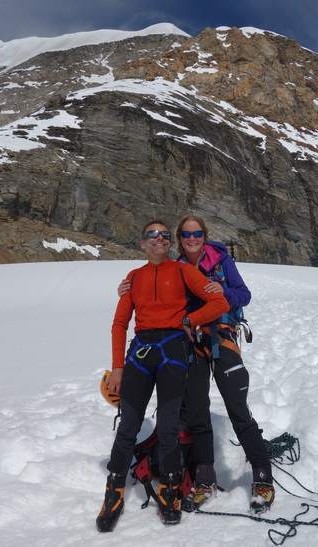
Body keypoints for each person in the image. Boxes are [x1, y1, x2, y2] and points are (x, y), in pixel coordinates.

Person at [117, 215, 276, 514]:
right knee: (197, 411)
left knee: (238, 409)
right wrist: (128, 289)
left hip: (222, 338)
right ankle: (205, 478)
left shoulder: (221, 260)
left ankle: (262, 475)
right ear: (179, 238)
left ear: (204, 235)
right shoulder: (175, 267)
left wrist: (221, 291)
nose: (192, 238)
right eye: (186, 234)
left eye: (197, 233)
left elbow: (244, 295)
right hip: (192, 343)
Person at [97, 220, 229, 533]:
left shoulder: (183, 271)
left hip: (173, 349)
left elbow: (219, 302)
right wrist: (117, 367)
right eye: (153, 235)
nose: (160, 238)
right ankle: (112, 493)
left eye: (166, 235)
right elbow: (119, 324)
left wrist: (189, 319)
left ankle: (170, 488)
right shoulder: (133, 277)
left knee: (169, 424)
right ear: (142, 243)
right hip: (141, 354)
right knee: (129, 423)